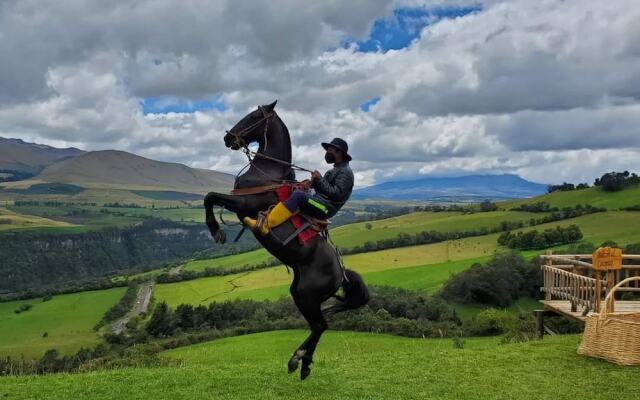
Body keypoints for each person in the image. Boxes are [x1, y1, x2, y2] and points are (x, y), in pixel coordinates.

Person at [243, 137, 354, 236]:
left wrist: (320, 180)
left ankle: (266, 225)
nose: (327, 152)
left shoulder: (346, 172)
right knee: (294, 189)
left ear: (339, 153)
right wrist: (313, 183)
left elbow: (336, 194)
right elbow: (324, 190)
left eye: (330, 150)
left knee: (299, 196)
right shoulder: (335, 169)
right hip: (319, 202)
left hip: (325, 209)